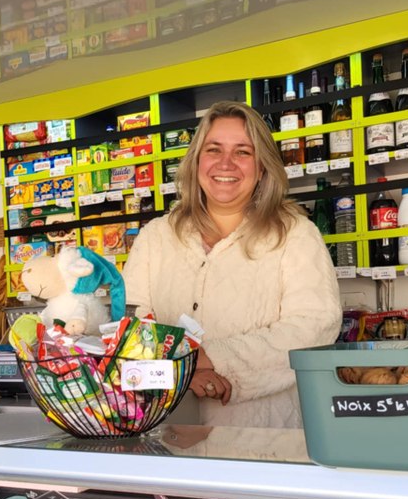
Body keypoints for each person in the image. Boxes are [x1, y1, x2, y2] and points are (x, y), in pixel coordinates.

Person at [123, 100, 342, 428]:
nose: (225, 163)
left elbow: (313, 327)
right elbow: (130, 324)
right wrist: (184, 374)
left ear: (262, 166)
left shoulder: (295, 234)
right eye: (213, 149)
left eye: (243, 152)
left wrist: (210, 358)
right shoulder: (156, 236)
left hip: (264, 434)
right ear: (196, 161)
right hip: (167, 431)